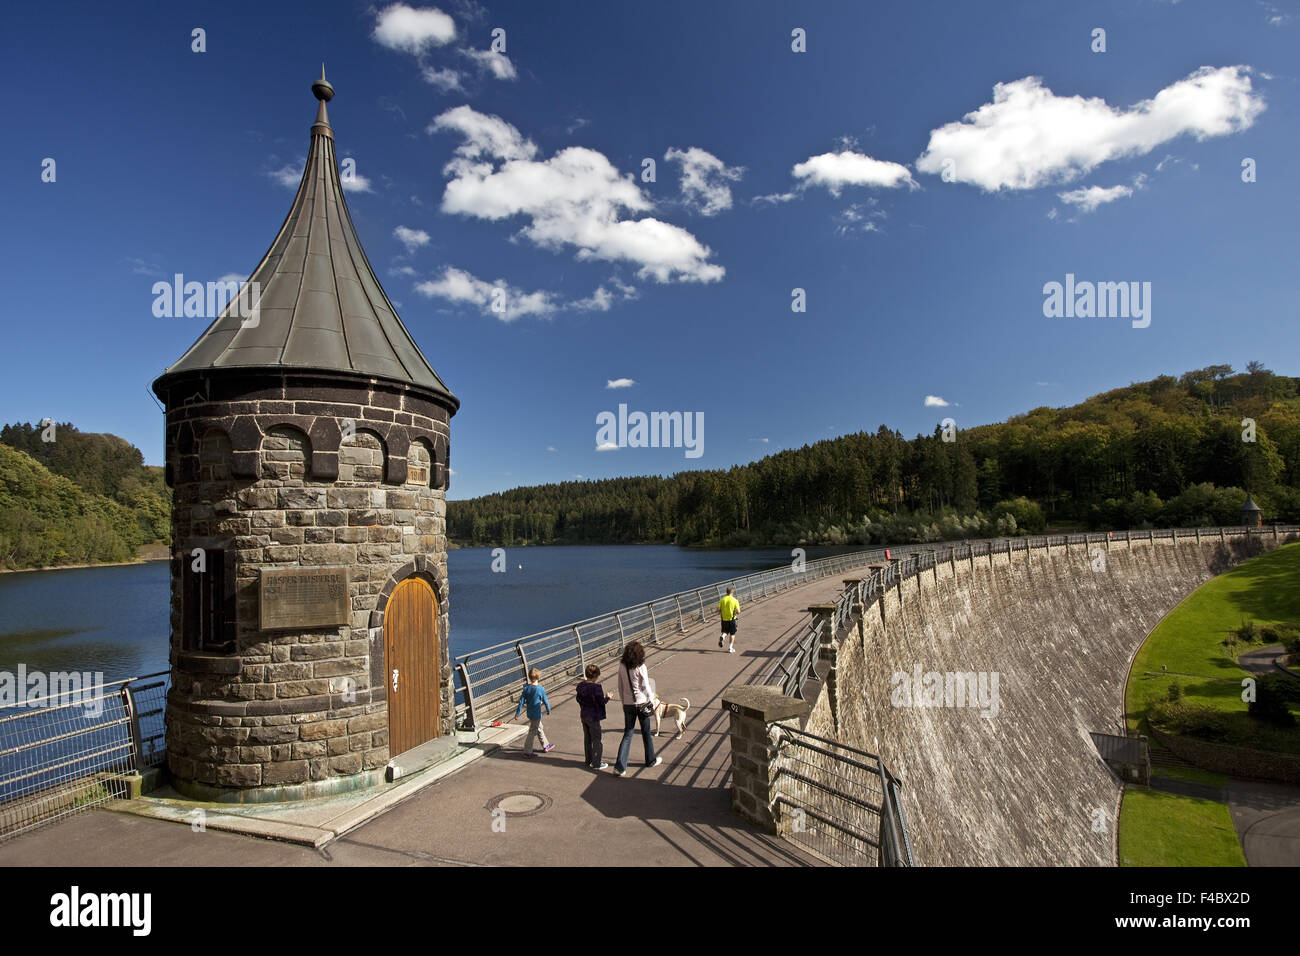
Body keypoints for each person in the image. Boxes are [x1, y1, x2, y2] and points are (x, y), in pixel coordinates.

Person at [613, 642, 662, 775]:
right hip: (642, 704)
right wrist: (652, 700)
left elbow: (620, 686)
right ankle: (650, 760)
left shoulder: (622, 666)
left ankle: (620, 767)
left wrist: (624, 702)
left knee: (628, 734)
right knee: (646, 733)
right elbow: (646, 686)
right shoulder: (641, 666)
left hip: (628, 704)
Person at [575, 664, 612, 770]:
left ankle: (588, 760)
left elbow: (578, 699)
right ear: (596, 676)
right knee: (597, 740)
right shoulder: (596, 688)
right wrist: (607, 698)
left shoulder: (581, 686)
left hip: (584, 715)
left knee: (587, 739)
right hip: (593, 717)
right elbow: (601, 702)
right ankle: (596, 763)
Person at [514, 667, 554, 758]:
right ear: (538, 677)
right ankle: (528, 751)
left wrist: (517, 714)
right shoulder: (540, 689)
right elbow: (545, 701)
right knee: (532, 731)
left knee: (539, 727)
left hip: (530, 713)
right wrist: (548, 710)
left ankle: (546, 745)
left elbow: (521, 702)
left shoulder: (526, 688)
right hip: (537, 714)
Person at [718, 586, 740, 653]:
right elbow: (738, 612)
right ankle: (730, 648)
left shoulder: (722, 600)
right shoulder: (735, 600)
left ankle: (723, 636)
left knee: (725, 632)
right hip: (732, 619)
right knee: (732, 634)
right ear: (732, 592)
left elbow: (718, 610)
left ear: (726, 592)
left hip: (724, 619)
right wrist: (735, 611)